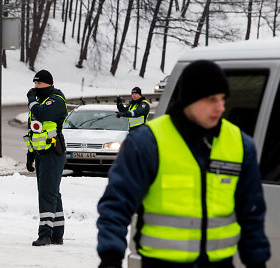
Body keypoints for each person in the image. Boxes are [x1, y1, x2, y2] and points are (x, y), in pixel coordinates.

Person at [97, 60, 270, 268]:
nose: (221, 107)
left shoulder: (241, 145)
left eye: (223, 99)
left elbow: (252, 213)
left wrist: (257, 261)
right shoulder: (147, 143)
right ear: (190, 99)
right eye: (211, 99)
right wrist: (110, 259)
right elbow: (116, 206)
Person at [23, 69, 68, 246]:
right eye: (35, 83)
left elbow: (42, 114)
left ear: (49, 83)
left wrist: (31, 101)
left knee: (47, 193)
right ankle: (57, 234)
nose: (36, 86)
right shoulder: (40, 100)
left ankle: (45, 234)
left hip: (53, 151)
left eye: (39, 83)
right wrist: (30, 155)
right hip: (41, 152)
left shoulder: (56, 100)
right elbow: (33, 131)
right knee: (52, 192)